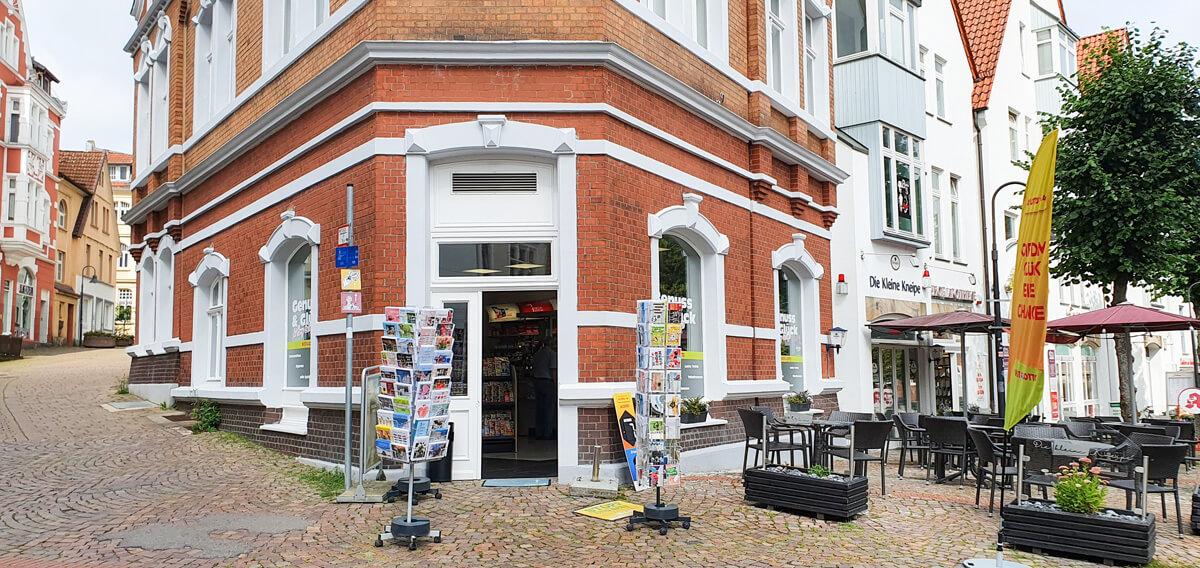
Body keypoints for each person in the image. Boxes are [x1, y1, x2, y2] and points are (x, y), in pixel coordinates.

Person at [531, 331, 557, 440]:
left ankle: (538, 432)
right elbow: (553, 371)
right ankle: (547, 433)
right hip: (547, 382)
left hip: (537, 382)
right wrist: (556, 384)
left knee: (539, 408)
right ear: (551, 344)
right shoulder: (552, 354)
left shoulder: (537, 354)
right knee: (549, 409)